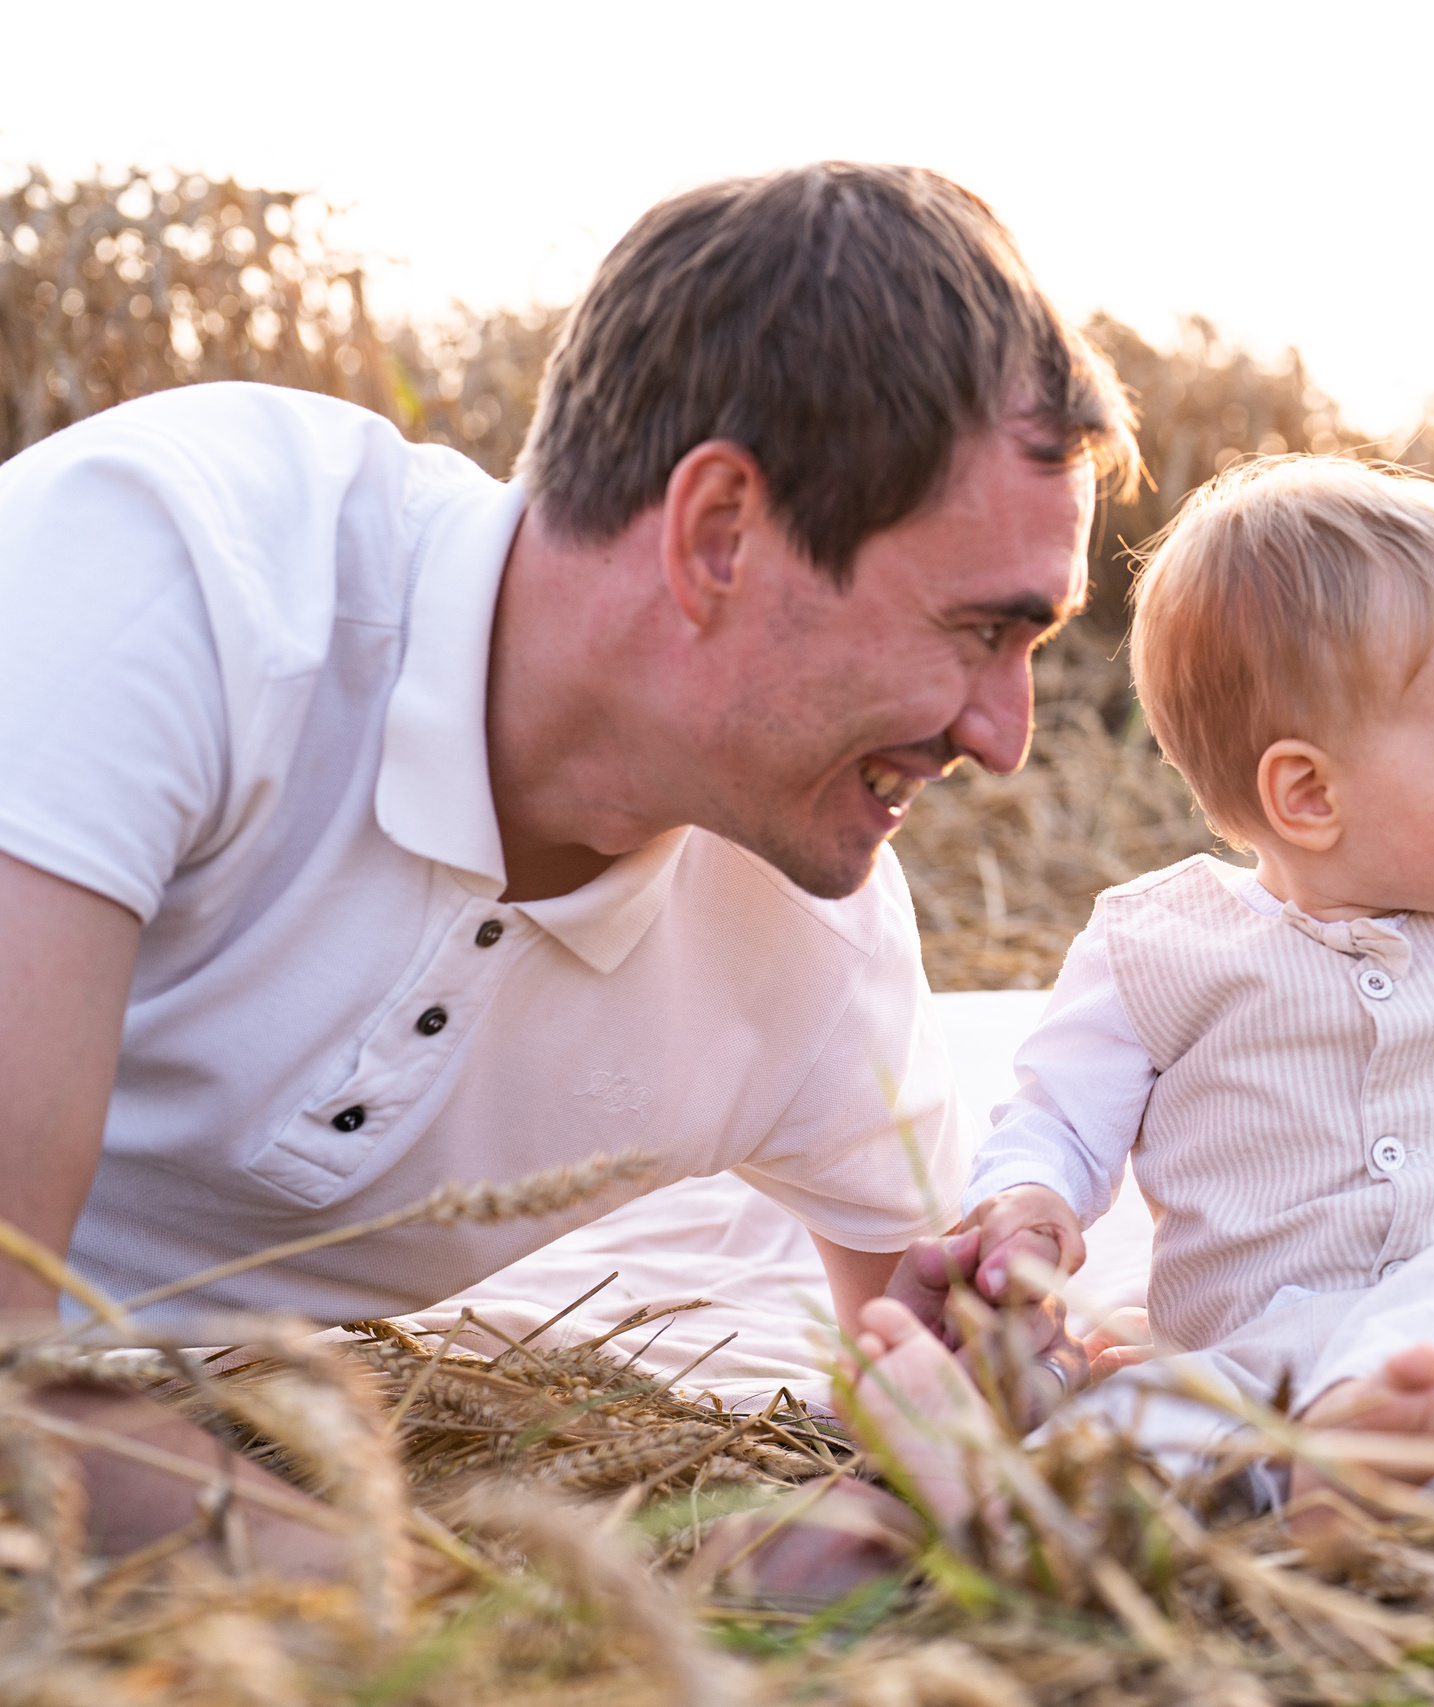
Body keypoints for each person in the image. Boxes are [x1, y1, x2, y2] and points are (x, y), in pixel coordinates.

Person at [0, 163, 1134, 1551]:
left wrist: (944, 1439)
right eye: (979, 629)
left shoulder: (815, 942)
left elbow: (917, 1384)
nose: (1008, 735)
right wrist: (515, 1634)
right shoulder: (176, 572)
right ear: (719, 534)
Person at [840, 456, 1434, 1523]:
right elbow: (1057, 1121)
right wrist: (1028, 1202)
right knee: (1146, 1403)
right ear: (1307, 794)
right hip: (1250, 1347)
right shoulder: (1158, 947)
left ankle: (1367, 1452)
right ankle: (986, 1492)